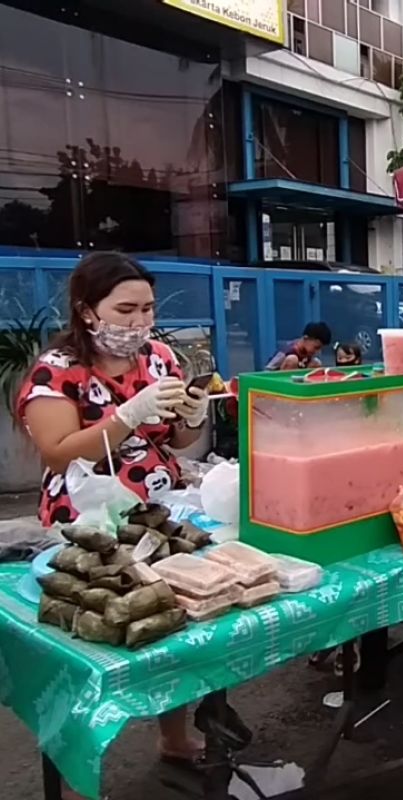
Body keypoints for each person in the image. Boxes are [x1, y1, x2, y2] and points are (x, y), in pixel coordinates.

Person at [17, 252, 207, 795]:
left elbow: (176, 440)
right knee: (94, 634)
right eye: (125, 309)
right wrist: (124, 415)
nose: (139, 322)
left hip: (157, 511)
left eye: (147, 309)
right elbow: (58, 455)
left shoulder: (161, 358)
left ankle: (174, 735)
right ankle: (74, 747)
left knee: (168, 623)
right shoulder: (57, 371)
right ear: (86, 310)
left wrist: (189, 419)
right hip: (86, 522)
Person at [265, 321, 331, 370]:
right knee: (292, 359)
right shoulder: (287, 350)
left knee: (316, 362)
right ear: (306, 338)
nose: (317, 351)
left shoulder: (308, 355)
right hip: (279, 383)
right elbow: (268, 370)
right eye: (316, 347)